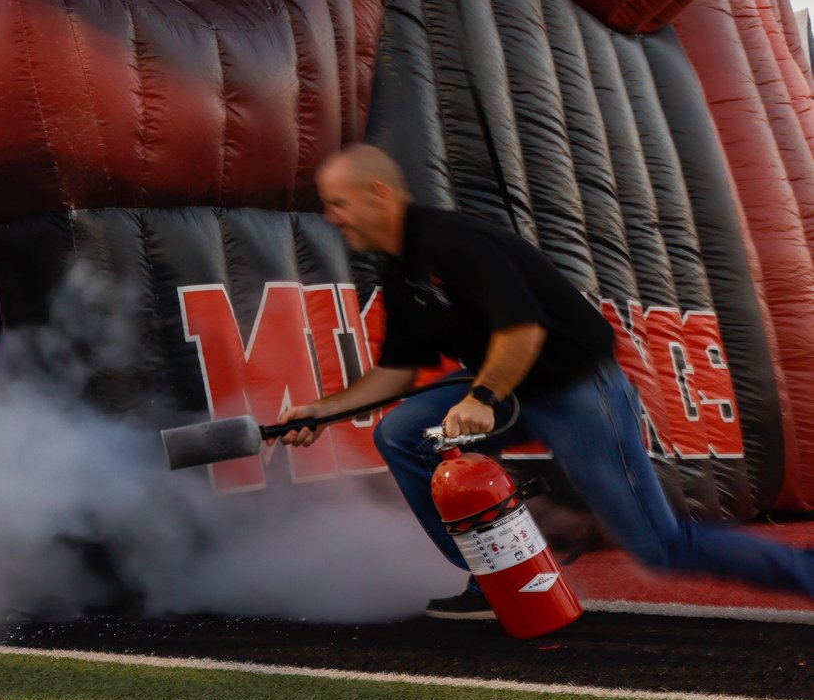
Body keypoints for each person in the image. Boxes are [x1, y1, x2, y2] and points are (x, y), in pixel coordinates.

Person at [286, 143, 814, 617]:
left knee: (661, 547)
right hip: (509, 390)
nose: (331, 217)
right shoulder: (400, 268)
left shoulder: (454, 240)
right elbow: (398, 371)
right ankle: (500, 574)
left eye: (338, 203)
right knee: (403, 433)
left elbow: (523, 331)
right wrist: (324, 410)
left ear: (378, 193)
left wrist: (483, 396)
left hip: (576, 392)